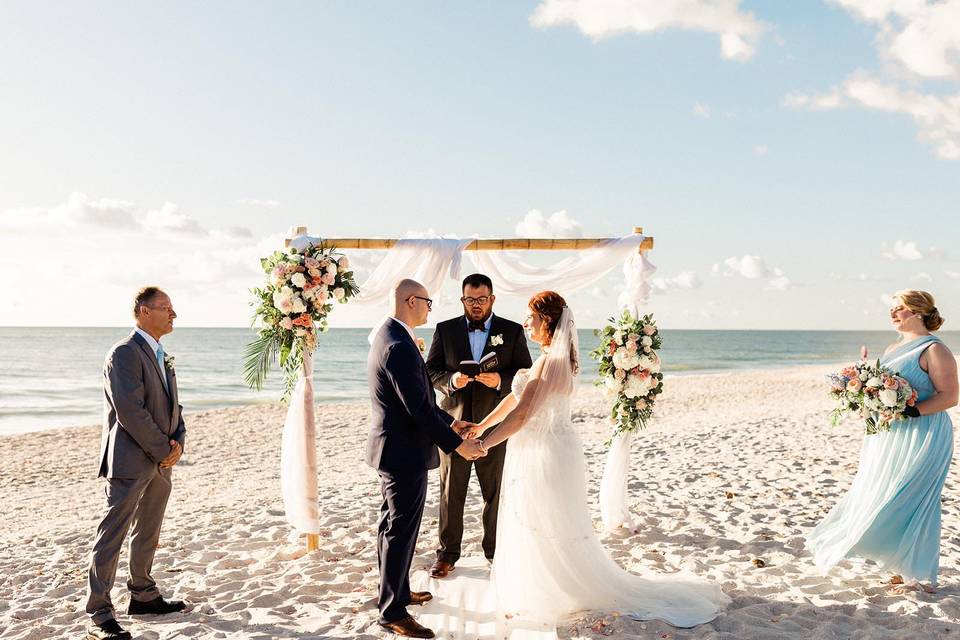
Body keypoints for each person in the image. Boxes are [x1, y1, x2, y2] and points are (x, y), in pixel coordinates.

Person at [419, 291, 728, 638]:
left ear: (547, 321)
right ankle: (542, 580)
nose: (525, 323)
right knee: (537, 517)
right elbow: (513, 400)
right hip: (542, 446)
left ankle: (552, 588)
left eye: (530, 317)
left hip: (545, 450)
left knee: (544, 518)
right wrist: (481, 426)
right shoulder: (548, 358)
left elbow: (523, 414)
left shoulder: (552, 362)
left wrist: (484, 445)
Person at [807, 289, 957, 593]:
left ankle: (916, 574)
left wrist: (909, 411)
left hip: (925, 433)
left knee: (915, 500)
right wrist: (868, 402)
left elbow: (951, 396)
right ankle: (898, 564)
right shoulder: (892, 347)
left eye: (899, 308)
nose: (893, 314)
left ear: (917, 312)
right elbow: (882, 392)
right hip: (889, 435)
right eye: (892, 308)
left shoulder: (934, 350)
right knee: (883, 495)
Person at [365, 279, 486, 639]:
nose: (430, 309)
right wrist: (457, 444)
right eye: (428, 302)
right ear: (411, 300)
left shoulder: (390, 335)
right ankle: (392, 612)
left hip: (396, 449)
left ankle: (397, 592)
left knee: (394, 528)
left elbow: (422, 402)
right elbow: (418, 409)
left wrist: (453, 422)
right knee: (399, 531)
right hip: (402, 452)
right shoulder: (399, 345)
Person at [85, 287, 188, 640]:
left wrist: (179, 441)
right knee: (112, 534)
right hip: (130, 461)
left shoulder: (161, 354)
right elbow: (130, 411)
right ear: (144, 312)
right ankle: (99, 613)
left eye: (172, 308)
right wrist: (164, 449)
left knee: (149, 531)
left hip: (161, 461)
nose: (173, 314)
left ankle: (143, 596)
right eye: (166, 308)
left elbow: (175, 405)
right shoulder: (124, 353)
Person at [425, 273, 532, 578]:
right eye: (470, 299)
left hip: (495, 424)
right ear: (462, 300)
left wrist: (500, 380)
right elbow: (430, 370)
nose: (475, 305)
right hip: (453, 426)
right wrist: (451, 381)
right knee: (450, 491)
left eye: (481, 299)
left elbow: (525, 374)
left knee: (495, 492)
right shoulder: (445, 330)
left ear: (492, 299)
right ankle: (447, 554)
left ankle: (495, 553)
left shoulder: (511, 331)